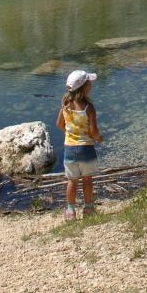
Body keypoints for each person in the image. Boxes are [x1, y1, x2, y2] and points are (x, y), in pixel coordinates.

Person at [55, 70, 103, 221]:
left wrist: (71, 134)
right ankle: (88, 208)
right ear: (84, 87)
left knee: (72, 180)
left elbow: (59, 124)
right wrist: (99, 138)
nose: (91, 84)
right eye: (89, 82)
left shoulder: (65, 105)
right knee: (87, 179)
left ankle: (70, 211)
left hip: (69, 149)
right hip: (86, 149)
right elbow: (93, 132)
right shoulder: (89, 108)